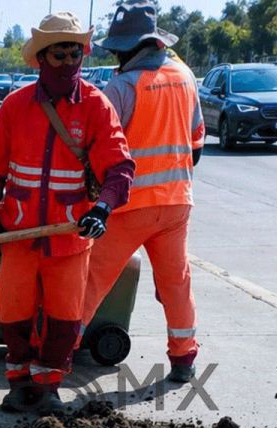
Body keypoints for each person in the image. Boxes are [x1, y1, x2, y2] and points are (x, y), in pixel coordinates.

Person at [0, 12, 134, 413]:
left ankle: (49, 387)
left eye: (73, 54)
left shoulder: (96, 107)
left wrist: (103, 208)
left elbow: (120, 169)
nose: (67, 64)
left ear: (83, 55)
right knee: (14, 313)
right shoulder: (14, 106)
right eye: (57, 55)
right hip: (19, 235)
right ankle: (19, 383)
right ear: (41, 59)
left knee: (64, 316)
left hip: (69, 237)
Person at [84, 0, 205, 383]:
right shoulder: (186, 77)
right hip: (175, 204)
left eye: (119, 48)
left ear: (135, 46)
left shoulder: (121, 86)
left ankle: (56, 355)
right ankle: (183, 359)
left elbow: (97, 150)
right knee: (176, 282)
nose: (117, 55)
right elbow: (197, 143)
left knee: (90, 279)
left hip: (127, 207)